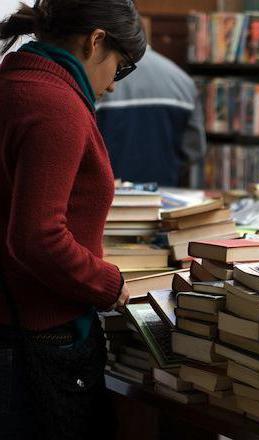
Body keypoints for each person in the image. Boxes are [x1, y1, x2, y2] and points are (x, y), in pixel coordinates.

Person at [0, 0, 145, 438]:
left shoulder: (13, 85)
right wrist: (107, 283)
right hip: (39, 338)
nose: (114, 86)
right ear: (96, 40)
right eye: (119, 68)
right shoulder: (56, 105)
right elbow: (37, 236)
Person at [96, 45, 207, 188]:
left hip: (112, 196)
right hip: (164, 195)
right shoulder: (182, 81)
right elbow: (194, 149)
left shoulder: (100, 80)